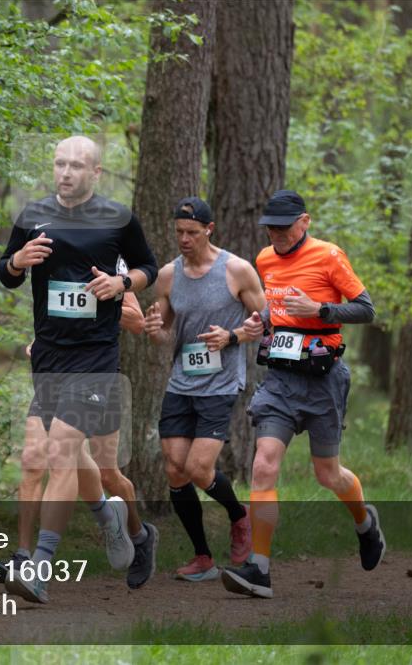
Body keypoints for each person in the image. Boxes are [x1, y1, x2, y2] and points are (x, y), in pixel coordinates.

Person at [0, 135, 159, 603]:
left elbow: (147, 265)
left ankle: (38, 568)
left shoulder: (118, 219)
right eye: (60, 164)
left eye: (76, 166)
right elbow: (5, 274)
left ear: (96, 173)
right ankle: (123, 525)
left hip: (95, 358)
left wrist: (121, 281)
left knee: (62, 452)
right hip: (49, 356)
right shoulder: (32, 216)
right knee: (40, 456)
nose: (66, 173)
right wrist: (16, 262)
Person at [220, 190, 386, 599]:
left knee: (327, 474)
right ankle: (259, 569)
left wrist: (321, 310)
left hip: (323, 378)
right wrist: (259, 323)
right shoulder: (264, 259)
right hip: (279, 379)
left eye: (283, 225)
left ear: (304, 221)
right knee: (263, 466)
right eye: (270, 227)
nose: (275, 233)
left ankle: (365, 522)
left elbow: (366, 309)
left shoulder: (329, 256)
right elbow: (276, 309)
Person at [144, 197, 264, 581]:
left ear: (209, 230)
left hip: (221, 383)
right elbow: (164, 333)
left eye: (192, 233)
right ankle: (203, 557)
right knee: (175, 470)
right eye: (178, 232)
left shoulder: (237, 271)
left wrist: (232, 336)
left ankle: (238, 515)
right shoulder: (168, 276)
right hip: (181, 383)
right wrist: (154, 330)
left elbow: (266, 321)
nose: (184, 239)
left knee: (198, 468)